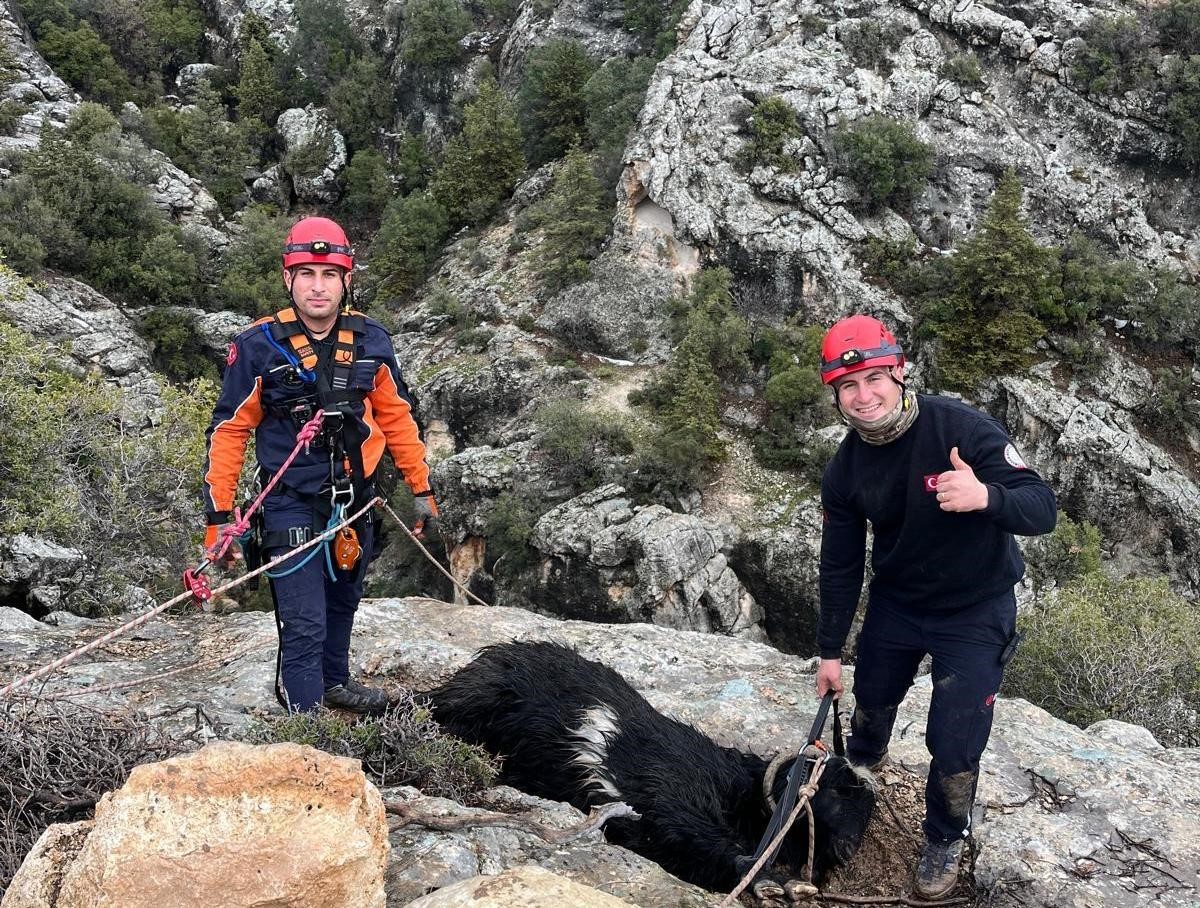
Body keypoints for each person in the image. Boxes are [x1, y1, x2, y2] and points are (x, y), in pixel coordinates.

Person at [813, 314, 1056, 899]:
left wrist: (985, 496)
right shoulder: (845, 469)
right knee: (870, 706)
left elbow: (1041, 506)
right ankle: (858, 784)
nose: (863, 396)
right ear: (836, 395)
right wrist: (828, 651)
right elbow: (841, 565)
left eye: (874, 378)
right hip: (897, 603)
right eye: (849, 386)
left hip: (975, 610)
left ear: (899, 372)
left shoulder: (961, 429)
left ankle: (945, 836)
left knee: (955, 740)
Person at [202, 216, 437, 714]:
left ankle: (334, 682)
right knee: (303, 620)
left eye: (329, 274)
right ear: (289, 279)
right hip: (290, 504)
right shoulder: (258, 347)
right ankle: (305, 723)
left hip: (355, 501)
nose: (318, 286)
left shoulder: (372, 341)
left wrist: (421, 487)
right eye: (306, 273)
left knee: (343, 602)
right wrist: (219, 518)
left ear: (346, 279)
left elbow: (397, 417)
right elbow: (229, 431)